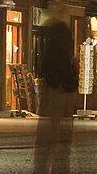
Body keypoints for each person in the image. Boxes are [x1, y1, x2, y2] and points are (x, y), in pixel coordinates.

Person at [32, 21, 77, 174]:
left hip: (52, 100)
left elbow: (44, 70)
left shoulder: (49, 59)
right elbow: (71, 83)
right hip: (63, 99)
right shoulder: (66, 61)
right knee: (62, 146)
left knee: (45, 145)